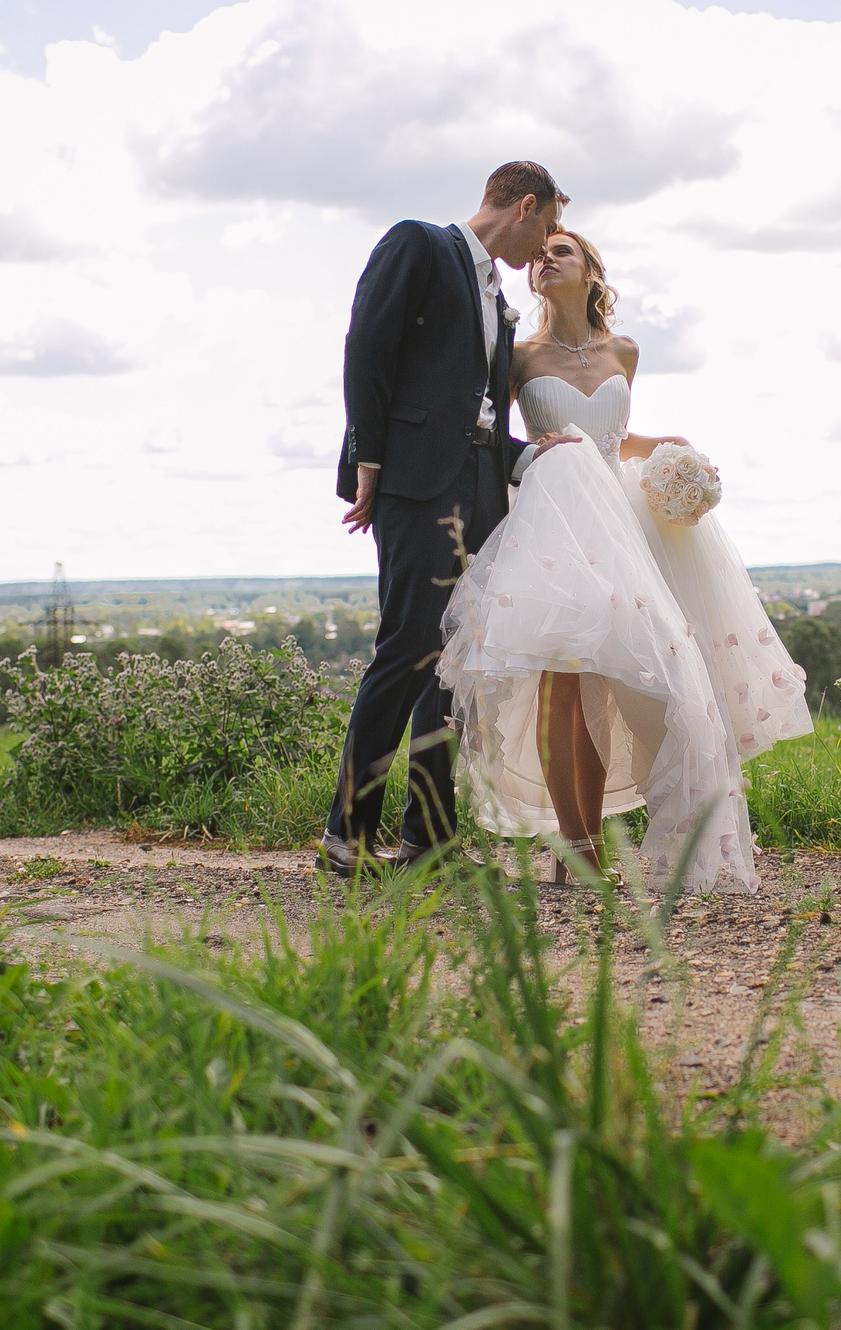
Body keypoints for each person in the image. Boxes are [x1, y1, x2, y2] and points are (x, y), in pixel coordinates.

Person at [436, 227, 812, 895]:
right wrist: (531, 456)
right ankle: (574, 849)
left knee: (607, 683)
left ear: (591, 271)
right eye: (541, 253)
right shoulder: (518, 355)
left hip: (617, 523)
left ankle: (608, 845)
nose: (545, 259)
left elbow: (612, 434)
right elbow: (492, 433)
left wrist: (666, 446)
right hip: (553, 523)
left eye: (562, 251)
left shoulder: (624, 351)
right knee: (560, 682)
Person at [322, 162, 567, 877]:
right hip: (416, 485)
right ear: (524, 206)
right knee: (408, 649)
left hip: (482, 490)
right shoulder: (420, 245)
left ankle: (427, 841)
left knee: (455, 666)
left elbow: (476, 413)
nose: (544, 247)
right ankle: (346, 835)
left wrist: (533, 456)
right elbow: (368, 347)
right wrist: (368, 460)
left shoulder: (498, 298)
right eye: (548, 228)